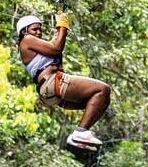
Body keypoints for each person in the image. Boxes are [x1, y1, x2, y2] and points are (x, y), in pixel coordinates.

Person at [13, 13, 111, 151]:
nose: (39, 32)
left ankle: (78, 136)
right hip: (52, 82)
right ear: (24, 31)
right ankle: (80, 132)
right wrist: (63, 27)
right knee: (103, 89)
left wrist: (61, 28)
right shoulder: (27, 40)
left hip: (49, 91)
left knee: (98, 102)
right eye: (35, 29)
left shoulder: (35, 45)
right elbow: (56, 49)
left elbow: (54, 45)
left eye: (40, 29)